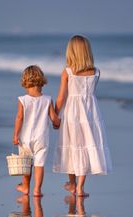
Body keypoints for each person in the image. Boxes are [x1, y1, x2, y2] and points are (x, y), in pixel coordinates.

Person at [53, 35, 112, 197]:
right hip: (91, 114)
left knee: (72, 146)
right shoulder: (96, 72)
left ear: (71, 52)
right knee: (85, 146)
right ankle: (79, 187)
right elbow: (89, 94)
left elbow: (61, 98)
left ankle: (72, 184)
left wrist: (54, 116)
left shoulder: (67, 72)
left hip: (72, 113)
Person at [13, 65, 60, 197]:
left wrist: (15, 135)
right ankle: (37, 190)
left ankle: (26, 187)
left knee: (26, 164)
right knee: (39, 164)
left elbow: (19, 118)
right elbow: (54, 118)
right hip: (42, 138)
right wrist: (59, 123)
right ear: (41, 81)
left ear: (25, 83)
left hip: (25, 138)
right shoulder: (48, 100)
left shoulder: (23, 100)